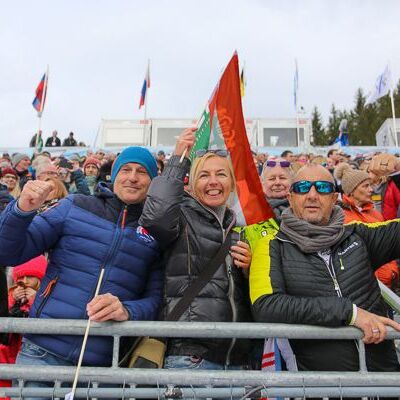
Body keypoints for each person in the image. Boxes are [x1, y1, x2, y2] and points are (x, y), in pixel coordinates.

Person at [0, 146, 163, 378]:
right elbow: (7, 253)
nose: (133, 177)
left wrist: (128, 311)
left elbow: (156, 299)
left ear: (152, 180)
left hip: (102, 365)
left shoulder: (155, 231)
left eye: (142, 171)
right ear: (114, 175)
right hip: (42, 351)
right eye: (126, 169)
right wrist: (21, 210)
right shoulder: (75, 206)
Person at [251, 163, 400, 372]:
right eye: (303, 187)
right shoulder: (272, 245)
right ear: (290, 198)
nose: (312, 195)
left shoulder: (357, 235)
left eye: (322, 188)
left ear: (334, 198)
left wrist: (394, 173)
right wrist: (349, 312)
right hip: (318, 383)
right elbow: (266, 305)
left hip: (382, 378)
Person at [140, 128, 253, 370]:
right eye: (203, 175)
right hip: (191, 357)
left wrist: (248, 272)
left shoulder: (240, 229)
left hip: (237, 360)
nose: (213, 181)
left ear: (232, 183)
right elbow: (155, 217)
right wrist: (178, 160)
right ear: (190, 185)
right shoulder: (181, 217)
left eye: (221, 174)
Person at [335, 163, 398, 289]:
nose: (371, 190)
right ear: (351, 191)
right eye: (365, 186)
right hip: (367, 287)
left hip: (390, 282)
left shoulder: (375, 213)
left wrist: (393, 270)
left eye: (370, 185)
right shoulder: (340, 218)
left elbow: (386, 244)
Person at [0, 256, 47, 395]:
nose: (25, 281)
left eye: (30, 277)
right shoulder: (9, 295)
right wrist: (12, 299)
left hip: (30, 357)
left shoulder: (45, 298)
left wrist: (35, 300)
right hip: (6, 356)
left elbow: (46, 318)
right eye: (21, 277)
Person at [261, 158, 292, 223]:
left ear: (292, 181)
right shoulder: (252, 209)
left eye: (282, 178)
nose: (277, 182)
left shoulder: (302, 208)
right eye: (272, 179)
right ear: (263, 183)